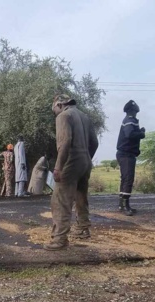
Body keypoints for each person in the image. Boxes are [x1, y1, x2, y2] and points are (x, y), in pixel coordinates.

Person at [46, 94, 99, 250]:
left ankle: (59, 238)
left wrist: (58, 167)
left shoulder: (64, 115)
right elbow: (94, 142)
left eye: (54, 109)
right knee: (81, 196)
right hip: (85, 161)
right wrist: (87, 157)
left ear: (60, 105)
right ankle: (83, 228)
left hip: (72, 161)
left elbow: (65, 141)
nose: (54, 112)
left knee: (61, 199)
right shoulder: (85, 117)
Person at [116, 100, 145, 215]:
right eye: (135, 112)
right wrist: (141, 134)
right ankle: (125, 205)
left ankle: (121, 205)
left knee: (125, 179)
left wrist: (139, 131)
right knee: (128, 179)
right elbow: (129, 135)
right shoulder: (130, 120)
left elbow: (131, 133)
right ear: (132, 111)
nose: (136, 114)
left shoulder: (129, 120)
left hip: (125, 154)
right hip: (126, 154)